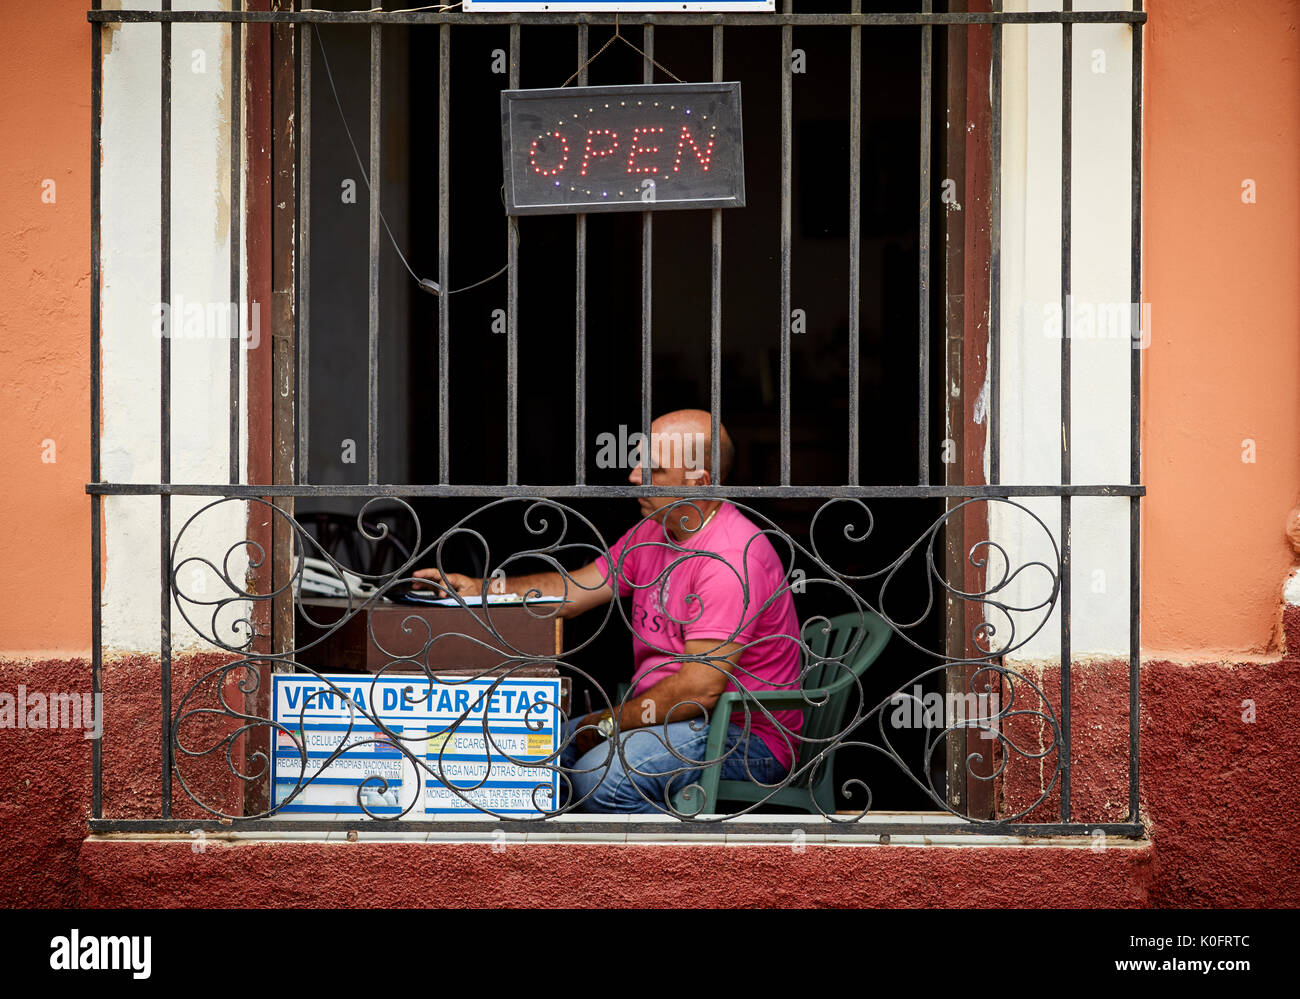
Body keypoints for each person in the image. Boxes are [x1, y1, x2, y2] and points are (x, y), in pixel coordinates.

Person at [415, 409, 803, 813]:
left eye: (653, 468)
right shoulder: (655, 531)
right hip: (672, 720)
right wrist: (483, 589)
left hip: (741, 735)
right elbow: (573, 589)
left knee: (600, 781)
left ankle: (702, 869)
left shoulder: (729, 557)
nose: (634, 476)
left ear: (698, 482)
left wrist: (603, 724)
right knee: (531, 756)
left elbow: (696, 692)